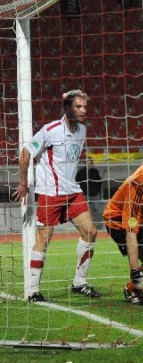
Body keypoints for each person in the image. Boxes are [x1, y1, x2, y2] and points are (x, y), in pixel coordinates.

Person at [13, 90, 102, 302]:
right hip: (50, 194)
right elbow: (26, 153)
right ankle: (33, 290)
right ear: (67, 108)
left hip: (72, 192)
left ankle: (79, 282)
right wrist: (24, 183)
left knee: (91, 231)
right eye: (78, 107)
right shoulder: (50, 130)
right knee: (44, 238)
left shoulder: (82, 130)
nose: (83, 110)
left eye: (85, 107)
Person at [103, 156, 143, 305]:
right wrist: (135, 270)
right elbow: (131, 231)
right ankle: (135, 285)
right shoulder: (138, 184)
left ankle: (132, 288)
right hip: (117, 221)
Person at [76, 158, 104, 230]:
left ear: (92, 164)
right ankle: (86, 225)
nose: (89, 165)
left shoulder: (95, 171)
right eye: (87, 163)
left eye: (90, 163)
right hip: (85, 194)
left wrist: (97, 191)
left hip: (94, 194)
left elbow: (99, 182)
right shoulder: (81, 172)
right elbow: (77, 181)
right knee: (85, 210)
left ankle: (99, 224)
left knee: (96, 209)